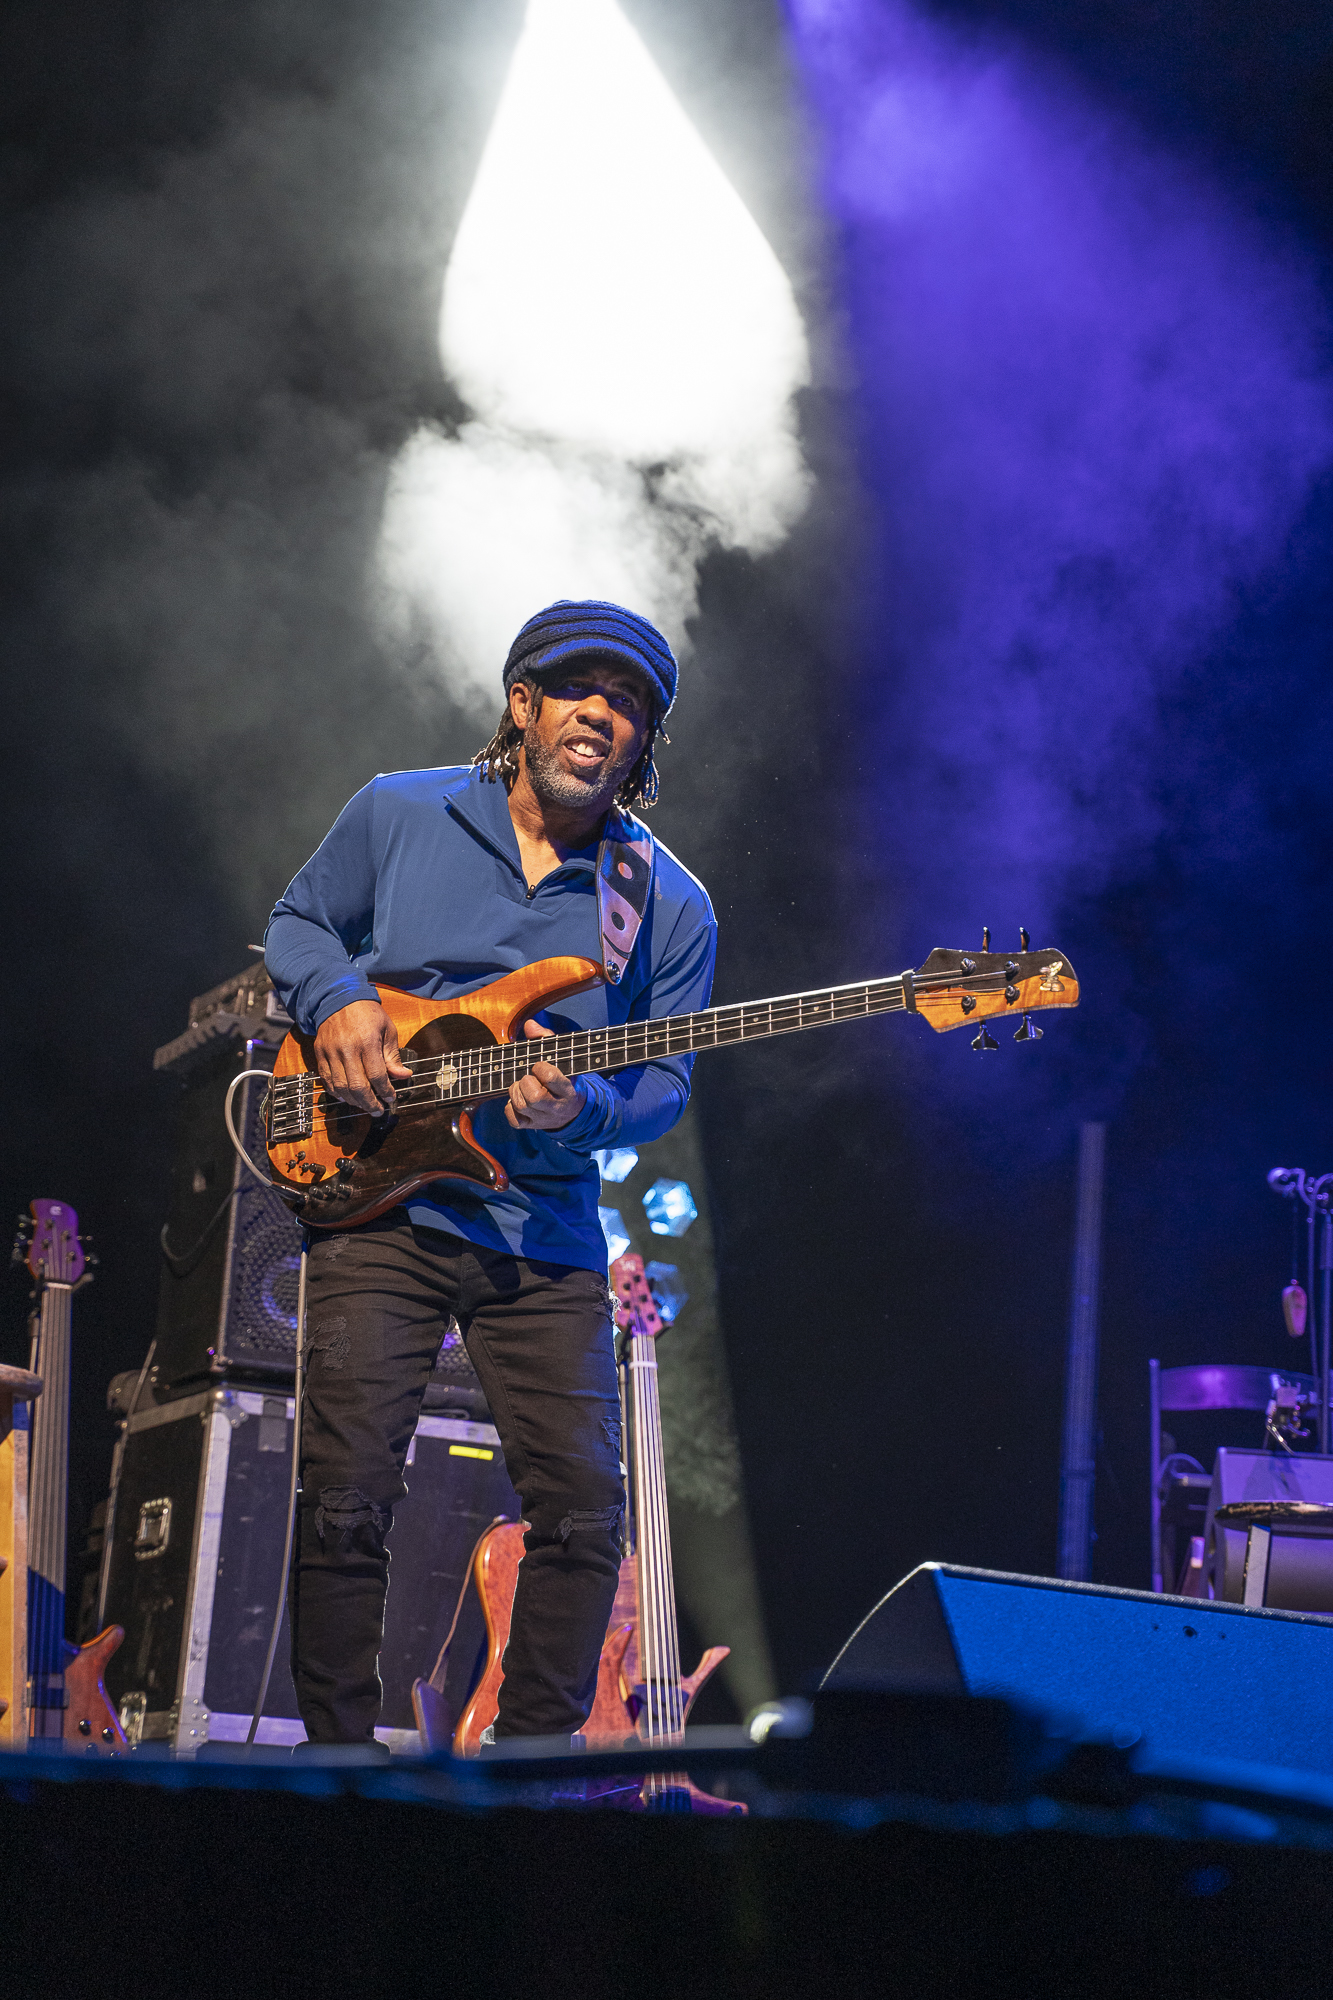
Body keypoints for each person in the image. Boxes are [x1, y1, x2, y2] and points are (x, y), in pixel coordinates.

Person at [264, 599, 716, 1746]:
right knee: (347, 1495)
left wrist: (584, 1103)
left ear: (642, 744)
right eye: (579, 690)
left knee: (581, 1520)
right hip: (380, 1200)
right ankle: (338, 1770)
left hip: (543, 1232)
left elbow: (662, 1081)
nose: (599, 716)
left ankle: (521, 1782)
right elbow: (299, 924)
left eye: (627, 706)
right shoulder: (399, 809)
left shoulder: (663, 899)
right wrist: (343, 1002)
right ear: (523, 706)